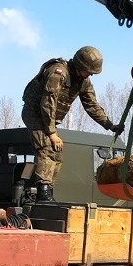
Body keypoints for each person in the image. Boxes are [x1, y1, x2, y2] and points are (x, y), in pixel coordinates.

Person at [21, 46, 123, 202]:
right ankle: (43, 193)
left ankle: (47, 191)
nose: (90, 75)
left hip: (48, 119)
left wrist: (109, 124)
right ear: (80, 66)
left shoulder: (83, 81)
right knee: (47, 148)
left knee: (57, 154)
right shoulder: (58, 73)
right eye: (89, 71)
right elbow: (48, 103)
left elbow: (91, 105)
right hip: (35, 114)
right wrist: (52, 133)